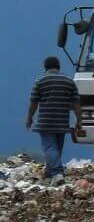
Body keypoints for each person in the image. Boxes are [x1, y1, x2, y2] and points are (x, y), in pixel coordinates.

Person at [26, 56, 82, 184]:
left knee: (50, 147)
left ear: (45, 67)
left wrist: (29, 118)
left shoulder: (40, 82)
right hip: (62, 121)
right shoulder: (69, 82)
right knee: (56, 148)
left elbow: (33, 102)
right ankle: (49, 173)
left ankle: (57, 172)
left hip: (46, 122)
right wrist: (79, 119)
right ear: (58, 67)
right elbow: (76, 103)